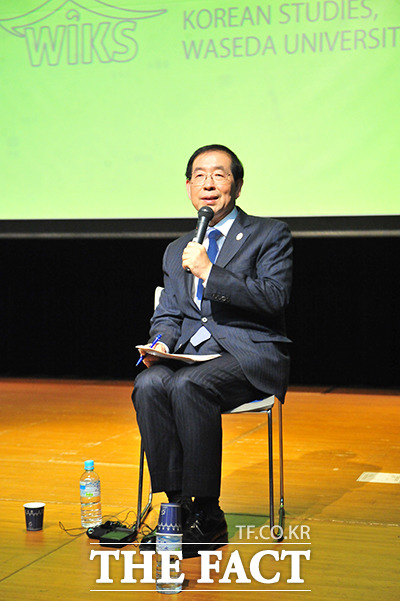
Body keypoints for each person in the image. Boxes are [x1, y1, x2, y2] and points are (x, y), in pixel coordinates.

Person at [132, 144, 292, 558]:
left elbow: (274, 298)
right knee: (150, 382)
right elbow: (169, 312)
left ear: (236, 186)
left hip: (249, 354)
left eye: (219, 175)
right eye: (200, 176)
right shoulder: (176, 248)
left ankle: (208, 513)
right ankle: (178, 507)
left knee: (189, 387)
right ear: (188, 188)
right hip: (191, 355)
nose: (208, 183)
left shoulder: (269, 234)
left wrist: (209, 271)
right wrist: (161, 343)